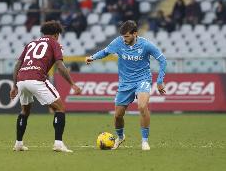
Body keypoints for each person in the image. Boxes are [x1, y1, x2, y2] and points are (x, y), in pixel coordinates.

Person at [85, 20, 167, 151]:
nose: (124, 39)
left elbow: (162, 60)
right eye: (123, 36)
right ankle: (120, 136)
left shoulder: (146, 45)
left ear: (135, 34)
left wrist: (159, 81)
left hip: (143, 79)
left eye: (127, 36)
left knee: (142, 106)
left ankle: (144, 141)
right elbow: (106, 51)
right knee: (118, 115)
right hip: (125, 83)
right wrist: (93, 57)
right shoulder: (118, 42)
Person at [10, 20, 81, 153]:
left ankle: (18, 144)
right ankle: (58, 144)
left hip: (21, 79)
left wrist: (14, 86)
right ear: (56, 34)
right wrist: (72, 84)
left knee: (25, 111)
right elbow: (60, 66)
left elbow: (17, 65)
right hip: (37, 78)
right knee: (60, 108)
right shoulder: (55, 43)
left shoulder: (30, 44)